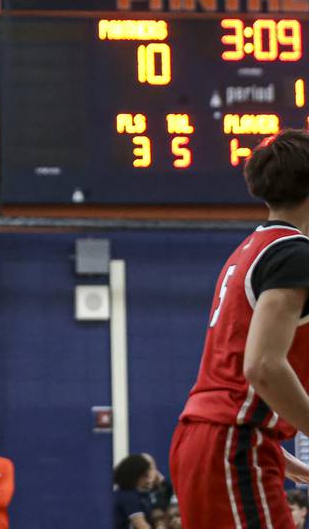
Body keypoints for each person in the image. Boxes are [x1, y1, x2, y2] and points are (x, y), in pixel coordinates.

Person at [170, 128, 309, 529]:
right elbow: (262, 366)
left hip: (209, 438)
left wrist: (282, 458)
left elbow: (227, 375)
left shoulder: (247, 252)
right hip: (231, 441)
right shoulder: (293, 254)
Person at [113, 453, 156, 529]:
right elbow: (142, 526)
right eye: (145, 475)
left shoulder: (141, 495)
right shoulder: (128, 497)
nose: (147, 479)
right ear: (135, 476)